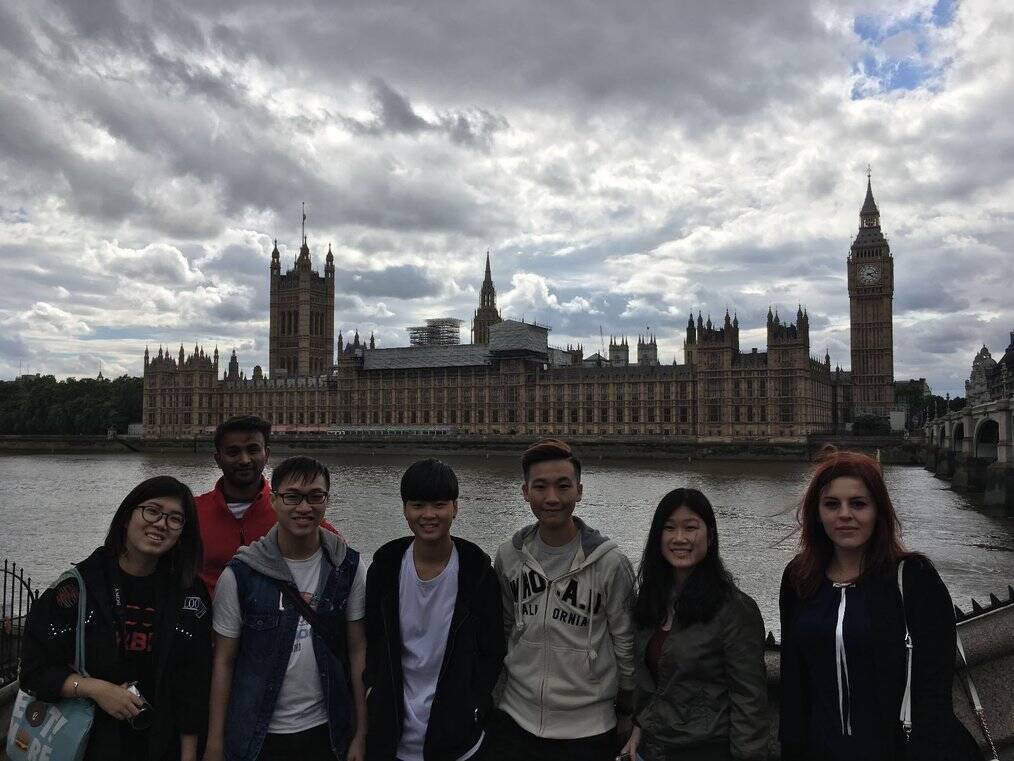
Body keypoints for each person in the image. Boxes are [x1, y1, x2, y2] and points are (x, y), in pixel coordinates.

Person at [778, 449, 976, 761]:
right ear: (817, 513)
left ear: (878, 511)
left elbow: (934, 693)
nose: (845, 514)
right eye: (832, 504)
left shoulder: (914, 579)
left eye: (858, 503)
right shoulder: (798, 578)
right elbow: (794, 684)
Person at [20, 476, 212, 761]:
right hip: (89, 743)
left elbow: (193, 684)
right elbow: (33, 672)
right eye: (152, 511)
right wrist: (96, 689)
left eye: (175, 519)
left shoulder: (189, 594)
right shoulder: (76, 589)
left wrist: (188, 755)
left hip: (161, 745)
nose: (161, 524)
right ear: (126, 517)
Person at [205, 455, 367, 761]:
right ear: (274, 501)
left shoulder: (348, 567)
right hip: (258, 736)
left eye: (315, 496)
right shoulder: (239, 576)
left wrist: (361, 732)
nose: (304, 508)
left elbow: (359, 651)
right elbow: (223, 662)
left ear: (326, 501)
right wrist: (215, 744)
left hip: (329, 732)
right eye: (292, 497)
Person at [487, 438, 635, 761]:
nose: (551, 497)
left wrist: (627, 710)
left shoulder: (610, 564)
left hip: (588, 730)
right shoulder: (508, 556)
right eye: (540, 487)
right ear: (525, 492)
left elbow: (626, 647)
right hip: (515, 720)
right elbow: (504, 629)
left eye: (562, 486)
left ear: (579, 491)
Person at [364, 459, 506, 761]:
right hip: (392, 737)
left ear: (455, 507)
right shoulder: (384, 569)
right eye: (418, 505)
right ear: (405, 509)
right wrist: (372, 691)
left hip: (458, 741)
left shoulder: (478, 573)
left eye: (439, 505)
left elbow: (493, 649)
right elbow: (371, 640)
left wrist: (475, 704)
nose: (428, 515)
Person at [621, 489, 767, 761]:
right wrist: (640, 726)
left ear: (710, 537)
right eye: (669, 528)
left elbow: (749, 702)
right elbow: (652, 684)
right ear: (657, 537)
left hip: (706, 750)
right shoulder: (649, 602)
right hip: (653, 749)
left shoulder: (735, 610)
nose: (680, 538)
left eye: (691, 528)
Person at [196, 415, 336, 597]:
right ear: (218, 459)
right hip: (209, 620)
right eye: (233, 452)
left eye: (253, 450)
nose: (244, 460)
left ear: (267, 455)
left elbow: (341, 554)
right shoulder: (192, 512)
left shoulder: (290, 510)